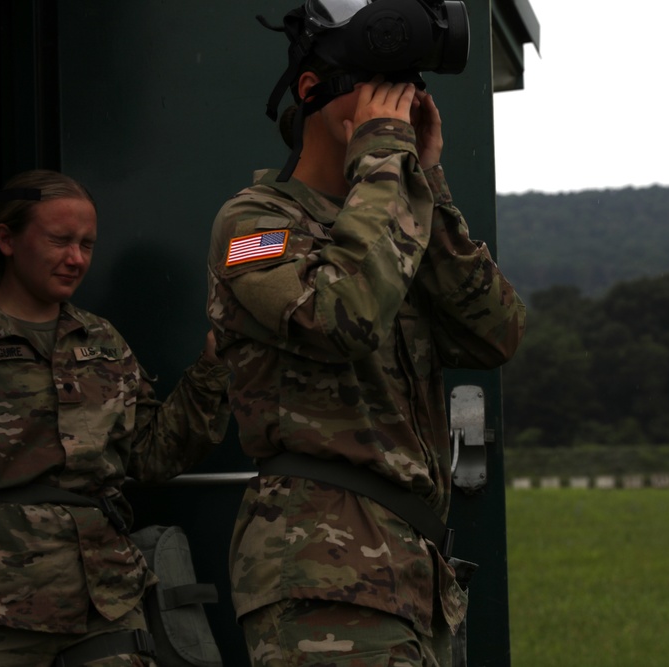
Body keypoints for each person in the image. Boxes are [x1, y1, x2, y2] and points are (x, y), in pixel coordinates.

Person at [205, 2, 526, 665]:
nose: (392, 108)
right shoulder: (254, 227)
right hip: (319, 565)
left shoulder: (400, 210)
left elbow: (495, 333)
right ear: (310, 89)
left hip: (407, 570)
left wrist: (426, 183)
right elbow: (342, 315)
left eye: (402, 90)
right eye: (372, 87)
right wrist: (384, 157)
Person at [0, 169, 231, 666]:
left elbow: (151, 456)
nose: (76, 259)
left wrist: (212, 370)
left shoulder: (103, 341)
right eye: (60, 240)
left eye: (87, 244)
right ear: (6, 239)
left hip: (104, 602)